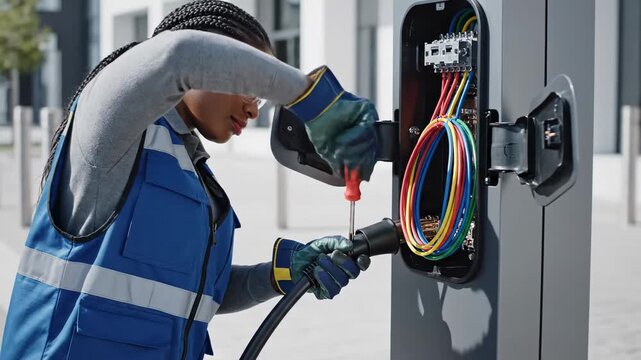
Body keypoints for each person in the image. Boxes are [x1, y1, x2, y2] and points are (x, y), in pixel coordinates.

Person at [0, 1, 378, 359]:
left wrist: (282, 273)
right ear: (208, 69)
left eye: (260, 98)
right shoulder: (111, 128)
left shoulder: (189, 170)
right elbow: (179, 54)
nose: (253, 107)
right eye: (248, 84)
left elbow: (189, 292)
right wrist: (311, 99)